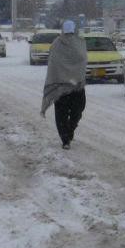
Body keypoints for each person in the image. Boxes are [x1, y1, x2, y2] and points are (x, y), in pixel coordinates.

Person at [40, 20, 87, 150]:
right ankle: (66, 138)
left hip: (70, 86)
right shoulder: (59, 44)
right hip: (67, 86)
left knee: (71, 112)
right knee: (68, 113)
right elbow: (55, 61)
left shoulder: (78, 42)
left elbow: (82, 59)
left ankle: (68, 133)